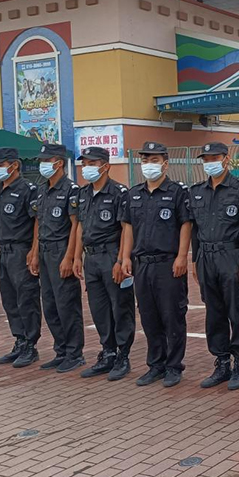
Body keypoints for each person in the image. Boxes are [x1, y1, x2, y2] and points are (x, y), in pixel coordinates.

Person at [120, 142, 191, 388]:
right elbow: (128, 227)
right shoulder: (134, 194)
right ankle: (156, 365)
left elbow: (185, 224)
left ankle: (174, 366)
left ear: (165, 164)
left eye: (154, 160)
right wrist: (125, 257)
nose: (149, 165)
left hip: (167, 264)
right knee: (149, 316)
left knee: (172, 316)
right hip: (142, 264)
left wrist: (182, 256)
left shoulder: (177, 192)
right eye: (145, 160)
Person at [189, 142, 239, 390]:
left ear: (226, 160)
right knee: (214, 312)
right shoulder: (197, 191)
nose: (210, 163)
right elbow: (195, 229)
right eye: (206, 159)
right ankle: (222, 363)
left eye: (214, 158)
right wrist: (195, 259)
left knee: (236, 311)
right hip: (206, 256)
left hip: (231, 254)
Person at [73, 146, 136, 380]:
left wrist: (122, 259)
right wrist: (76, 257)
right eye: (84, 164)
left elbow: (126, 228)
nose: (86, 168)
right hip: (91, 258)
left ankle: (123, 356)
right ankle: (108, 352)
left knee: (120, 306)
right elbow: (80, 226)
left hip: (112, 254)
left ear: (105, 166)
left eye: (92, 163)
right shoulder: (83, 193)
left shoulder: (119, 192)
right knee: (99, 308)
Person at [33, 143, 85, 373]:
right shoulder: (42, 189)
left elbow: (75, 225)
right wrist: (34, 253)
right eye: (41, 161)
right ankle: (61, 350)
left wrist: (70, 257)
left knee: (66, 305)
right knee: (50, 305)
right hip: (44, 252)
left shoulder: (71, 189)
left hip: (61, 251)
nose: (43, 165)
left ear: (59, 163)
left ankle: (75, 353)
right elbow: (39, 222)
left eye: (47, 161)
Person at [0, 147, 42, 368]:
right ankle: (20, 341)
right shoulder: (1, 189)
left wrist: (34, 251)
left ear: (14, 165)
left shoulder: (28, 190)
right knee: (10, 300)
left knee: (26, 299)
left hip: (21, 251)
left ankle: (31, 345)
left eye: (0, 165)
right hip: (4, 251)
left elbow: (37, 221)